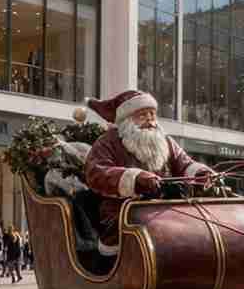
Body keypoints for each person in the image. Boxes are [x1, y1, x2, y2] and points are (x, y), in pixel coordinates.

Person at [84, 90, 212, 255]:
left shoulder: (165, 141)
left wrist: (200, 173)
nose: (150, 120)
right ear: (127, 120)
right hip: (122, 213)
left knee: (196, 227)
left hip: (168, 209)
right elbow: (97, 172)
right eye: (143, 115)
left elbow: (184, 163)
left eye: (152, 114)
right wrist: (135, 179)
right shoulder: (108, 142)